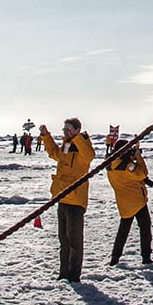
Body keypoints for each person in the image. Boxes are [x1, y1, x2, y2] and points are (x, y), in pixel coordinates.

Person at [39, 118, 93, 282]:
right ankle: (64, 273)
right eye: (64, 129)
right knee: (63, 240)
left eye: (68, 129)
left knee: (74, 241)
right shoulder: (66, 146)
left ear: (77, 130)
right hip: (62, 198)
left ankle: (74, 275)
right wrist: (46, 136)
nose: (65, 132)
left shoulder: (83, 148)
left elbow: (90, 155)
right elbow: (55, 154)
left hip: (75, 200)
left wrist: (77, 137)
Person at [106, 138, 153, 266]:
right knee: (145, 228)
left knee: (123, 231)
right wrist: (138, 156)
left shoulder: (111, 165)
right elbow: (143, 173)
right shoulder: (127, 166)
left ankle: (115, 258)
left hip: (123, 202)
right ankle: (146, 256)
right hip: (137, 201)